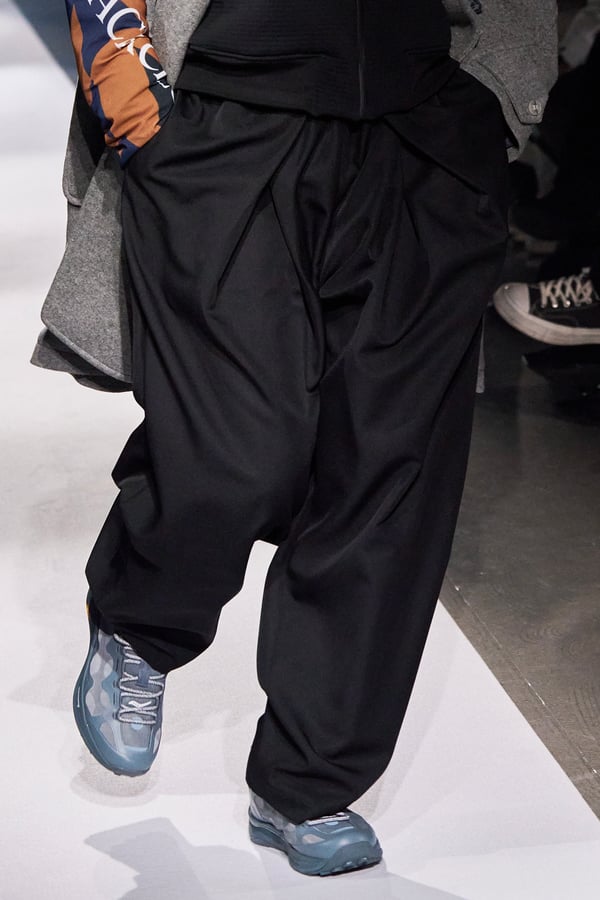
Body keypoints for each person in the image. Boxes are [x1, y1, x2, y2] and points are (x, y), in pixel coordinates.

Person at [33, 0, 557, 878]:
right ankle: (143, 619)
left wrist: (498, 100)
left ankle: (309, 783)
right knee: (239, 448)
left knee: (389, 471)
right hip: (227, 115)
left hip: (428, 125)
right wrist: (133, 95)